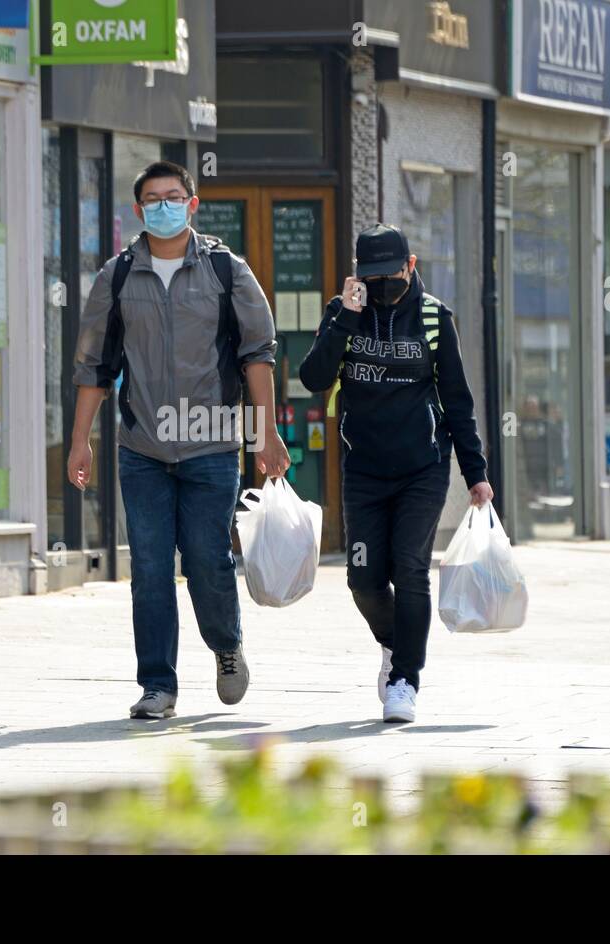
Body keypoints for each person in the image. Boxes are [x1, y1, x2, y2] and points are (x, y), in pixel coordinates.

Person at [70, 160, 290, 719]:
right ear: (138, 210)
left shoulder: (226, 270)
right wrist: (80, 441)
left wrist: (266, 435)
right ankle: (157, 685)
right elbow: (94, 366)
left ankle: (226, 647)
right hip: (142, 446)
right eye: (152, 199)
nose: (163, 206)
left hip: (211, 443)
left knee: (206, 561)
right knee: (148, 567)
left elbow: (257, 356)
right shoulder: (116, 278)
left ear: (193, 204)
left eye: (174, 196)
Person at [299, 223, 493, 723]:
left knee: (409, 569)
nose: (383, 285)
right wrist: (345, 315)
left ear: (411, 266)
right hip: (363, 470)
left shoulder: (434, 318)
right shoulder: (344, 314)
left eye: (391, 274)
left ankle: (405, 679)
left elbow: (457, 401)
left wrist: (476, 473)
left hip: (421, 470)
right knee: (363, 580)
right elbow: (313, 378)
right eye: (372, 277)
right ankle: (394, 643)